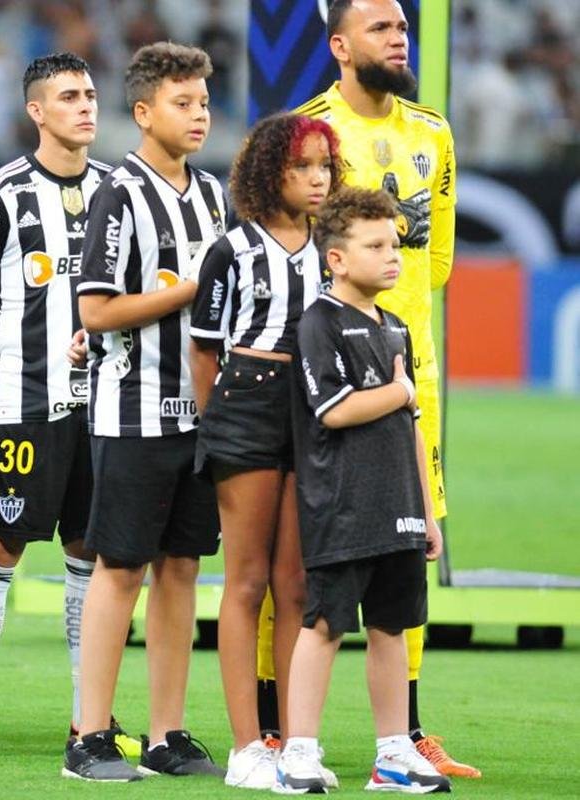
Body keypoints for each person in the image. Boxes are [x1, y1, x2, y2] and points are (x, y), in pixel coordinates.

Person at [291, 0, 476, 777]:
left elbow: (433, 263)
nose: (398, 39)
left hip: (410, 378)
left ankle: (405, 733)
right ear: (338, 45)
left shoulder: (432, 132)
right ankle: (284, 731)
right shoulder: (309, 132)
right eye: (380, 28)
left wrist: (404, 355)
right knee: (315, 562)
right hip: (331, 368)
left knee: (408, 553)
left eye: (402, 28)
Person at [0, 52, 127, 760]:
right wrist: (0, 379)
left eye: (90, 94)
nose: (85, 107)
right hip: (22, 406)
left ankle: (89, 720)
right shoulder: (1, 195)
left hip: (103, 412)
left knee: (90, 553)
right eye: (68, 97)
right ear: (36, 111)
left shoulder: (118, 190)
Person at [64, 43, 226, 782]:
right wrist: (187, 290)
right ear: (142, 111)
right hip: (129, 413)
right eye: (182, 103)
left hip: (200, 417)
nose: (198, 115)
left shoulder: (214, 195)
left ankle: (166, 733)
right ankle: (88, 736)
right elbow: (94, 310)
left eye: (202, 101)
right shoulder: (117, 194)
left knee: (182, 569)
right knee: (119, 567)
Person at [275, 186, 449, 794]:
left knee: (392, 627)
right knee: (323, 623)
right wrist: (399, 392)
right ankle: (298, 751)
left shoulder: (396, 326)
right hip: (342, 505)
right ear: (337, 259)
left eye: (395, 244)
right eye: (375, 245)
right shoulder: (318, 322)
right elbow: (333, 409)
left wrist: (427, 512)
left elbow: (411, 427)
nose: (392, 256)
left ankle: (392, 754)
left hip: (398, 503)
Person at [189, 112, 340, 789]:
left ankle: (295, 740)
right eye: (300, 167)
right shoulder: (232, 248)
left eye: (323, 167)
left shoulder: (331, 249)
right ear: (266, 172)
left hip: (311, 412)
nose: (316, 179)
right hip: (245, 404)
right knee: (246, 582)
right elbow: (203, 348)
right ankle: (246, 747)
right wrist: (208, 424)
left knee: (297, 585)